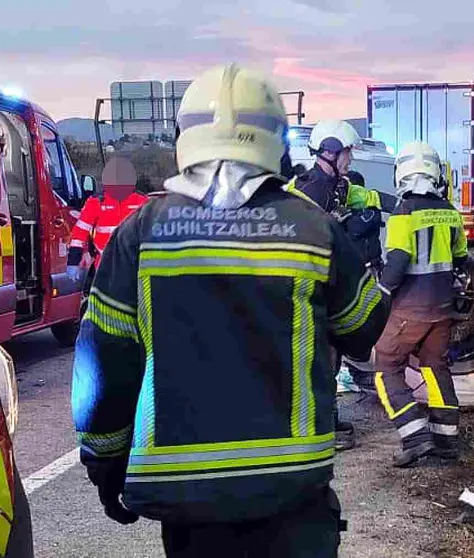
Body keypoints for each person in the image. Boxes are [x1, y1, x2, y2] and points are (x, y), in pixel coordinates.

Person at [71, 63, 389, 558]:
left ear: (186, 138)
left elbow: (102, 364)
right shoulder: (314, 228)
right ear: (278, 142)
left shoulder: (142, 232)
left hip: (188, 507)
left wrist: (105, 463)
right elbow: (363, 327)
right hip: (292, 495)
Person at [284, 120, 397, 450]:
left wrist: (403, 205)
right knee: (317, 359)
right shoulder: (310, 192)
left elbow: (367, 197)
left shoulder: (339, 186)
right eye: (347, 153)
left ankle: (328, 421)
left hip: (325, 284)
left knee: (330, 358)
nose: (351, 160)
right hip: (304, 286)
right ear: (330, 152)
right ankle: (317, 430)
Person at [374, 141, 468, 468]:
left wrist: (382, 291)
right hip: (442, 310)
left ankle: (415, 436)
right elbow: (461, 258)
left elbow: (398, 259)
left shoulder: (403, 212)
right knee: (435, 367)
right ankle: (447, 442)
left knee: (386, 366)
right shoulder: (449, 212)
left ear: (401, 172)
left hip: (409, 310)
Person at [66, 156, 148, 282]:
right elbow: (79, 234)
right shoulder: (96, 202)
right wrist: (73, 261)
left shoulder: (142, 202)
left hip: (136, 269)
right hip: (106, 269)